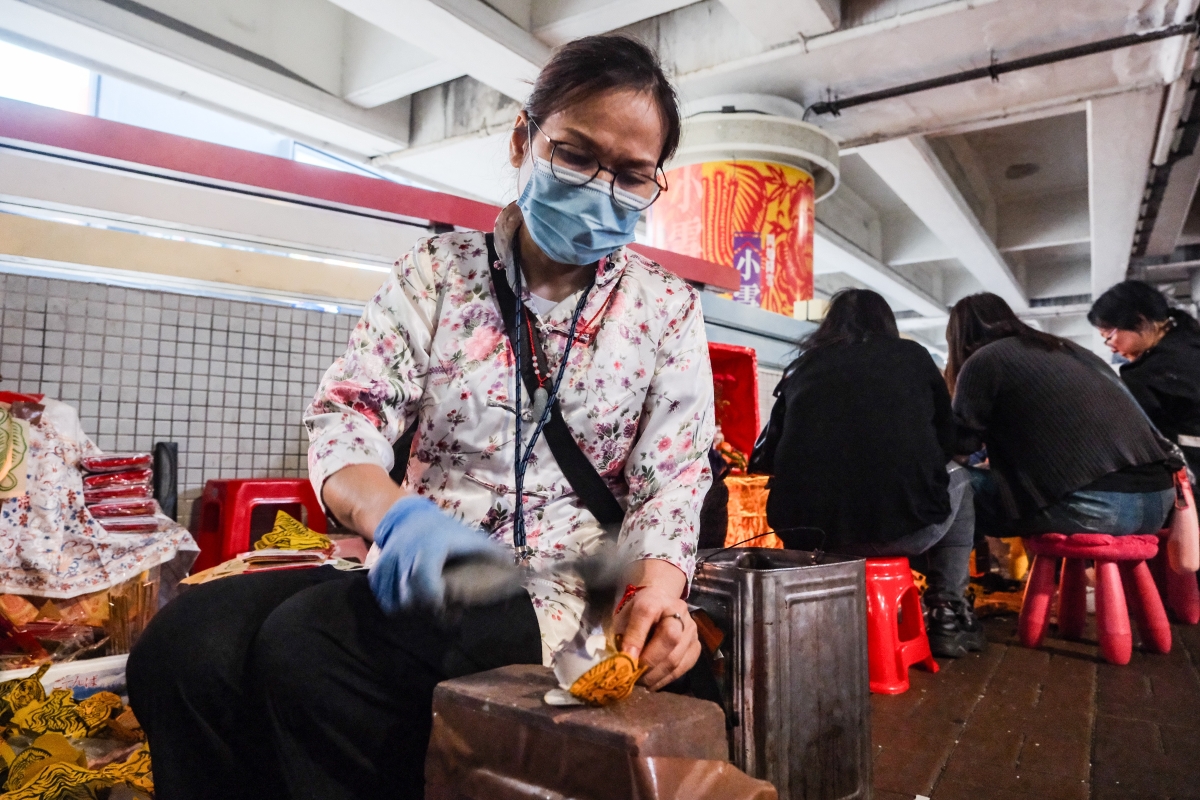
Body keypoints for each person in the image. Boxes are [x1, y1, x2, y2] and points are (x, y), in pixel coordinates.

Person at [127, 35, 715, 800]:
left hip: (567, 594)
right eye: (575, 155)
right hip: (420, 567)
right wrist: (398, 516)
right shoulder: (438, 274)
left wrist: (660, 595)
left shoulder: (665, 309)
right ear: (523, 139)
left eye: (631, 175)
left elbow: (672, 480)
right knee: (183, 648)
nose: (601, 189)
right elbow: (349, 418)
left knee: (310, 653)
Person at [764, 289, 983, 657]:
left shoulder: (802, 367)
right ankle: (947, 611)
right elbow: (949, 441)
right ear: (887, 323)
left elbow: (770, 454)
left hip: (806, 539)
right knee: (960, 477)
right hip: (901, 530)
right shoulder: (912, 357)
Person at [946, 293, 1179, 541]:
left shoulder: (985, 359)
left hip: (1099, 508)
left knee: (941, 482)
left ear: (959, 340)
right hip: (1159, 505)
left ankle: (948, 568)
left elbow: (959, 448)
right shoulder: (1068, 350)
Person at [1088, 280, 1200, 467]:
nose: (1111, 347)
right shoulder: (1190, 343)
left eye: (1109, 336)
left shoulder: (1147, 375)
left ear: (1139, 321)